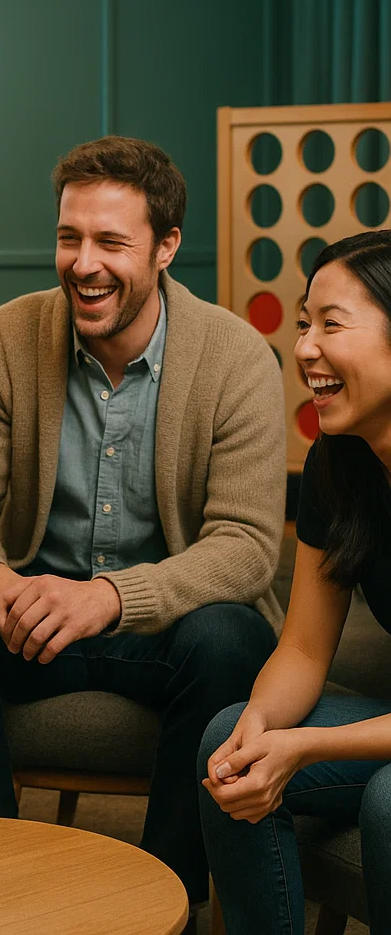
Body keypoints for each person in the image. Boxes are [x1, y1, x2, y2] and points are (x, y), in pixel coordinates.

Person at [0, 136, 285, 914]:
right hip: (28, 623)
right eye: (69, 237)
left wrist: (109, 598)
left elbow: (247, 550)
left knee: (231, 637)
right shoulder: (6, 337)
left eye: (110, 242)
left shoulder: (237, 358)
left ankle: (164, 905)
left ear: (166, 247)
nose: (83, 264)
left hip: (169, 633)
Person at [200, 229, 391, 935]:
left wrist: (307, 746)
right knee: (226, 741)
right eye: (304, 323)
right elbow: (306, 650)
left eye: (330, 324)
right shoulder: (336, 464)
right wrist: (260, 724)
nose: (305, 346)